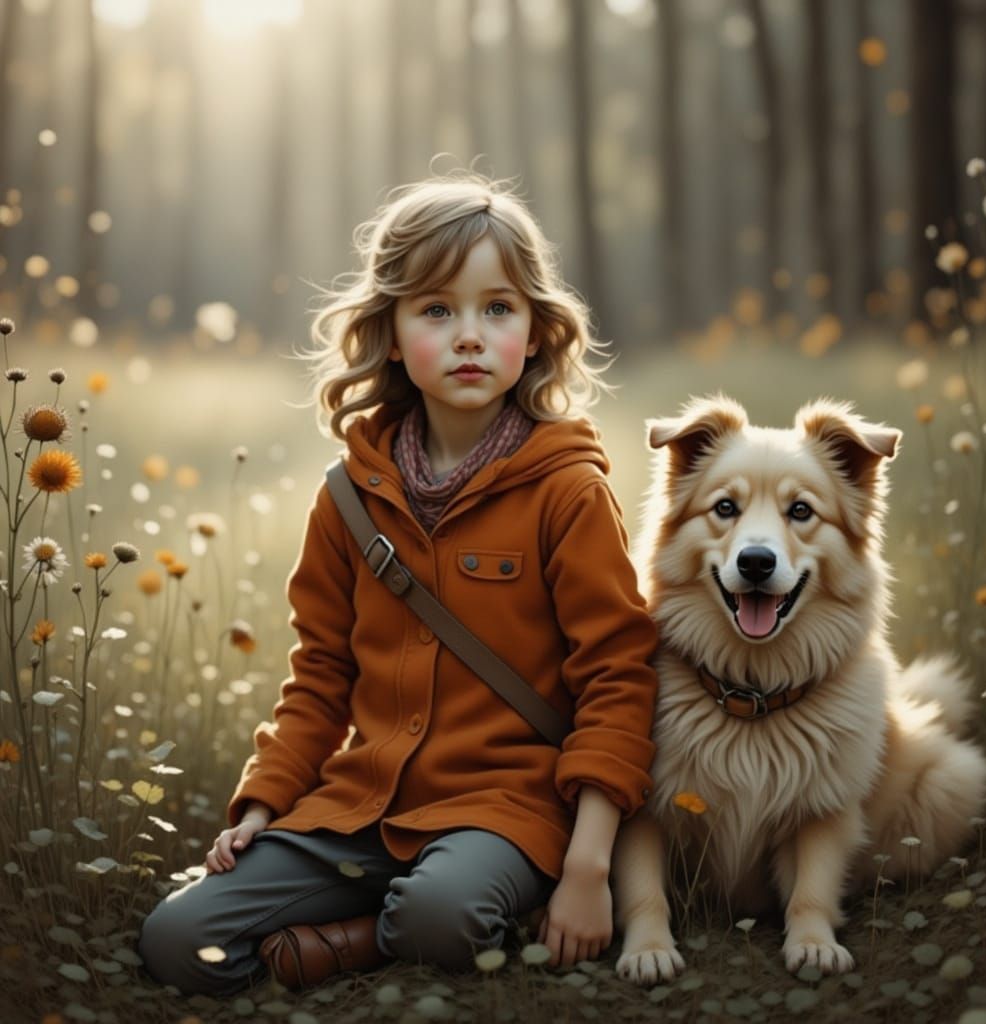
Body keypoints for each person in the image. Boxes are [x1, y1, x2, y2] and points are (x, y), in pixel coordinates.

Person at [138, 173, 658, 997]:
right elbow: (319, 678)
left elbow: (619, 680)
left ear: (534, 331)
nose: (469, 336)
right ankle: (377, 918)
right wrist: (262, 809)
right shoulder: (347, 497)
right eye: (436, 310)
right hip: (362, 810)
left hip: (507, 811)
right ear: (389, 332)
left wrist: (589, 866)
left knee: (441, 915)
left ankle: (361, 940)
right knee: (176, 940)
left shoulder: (568, 490)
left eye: (498, 308)